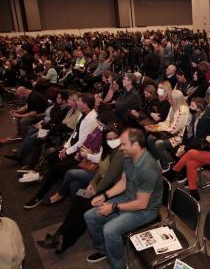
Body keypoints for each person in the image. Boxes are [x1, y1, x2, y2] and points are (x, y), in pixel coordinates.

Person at [36, 123, 124, 254]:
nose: (111, 141)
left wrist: (95, 189)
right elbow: (101, 170)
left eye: (114, 138)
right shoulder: (108, 150)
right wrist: (92, 183)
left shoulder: (120, 153)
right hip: (100, 185)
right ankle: (60, 237)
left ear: (120, 137)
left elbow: (109, 178)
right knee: (79, 197)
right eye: (109, 139)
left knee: (84, 206)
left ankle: (63, 239)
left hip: (111, 189)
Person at [84, 128, 163, 269]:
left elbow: (142, 204)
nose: (121, 147)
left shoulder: (148, 168)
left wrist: (113, 207)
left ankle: (119, 266)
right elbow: (123, 183)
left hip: (146, 210)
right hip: (128, 198)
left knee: (110, 230)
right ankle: (105, 251)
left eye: (124, 144)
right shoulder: (128, 157)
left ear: (136, 144)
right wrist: (105, 196)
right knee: (90, 216)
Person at [23, 93, 99, 209]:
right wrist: (65, 147)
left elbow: (82, 142)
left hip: (80, 151)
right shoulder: (82, 115)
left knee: (57, 167)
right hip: (73, 147)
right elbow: (75, 133)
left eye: (79, 101)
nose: (76, 102)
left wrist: (67, 151)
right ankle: (44, 179)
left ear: (85, 105)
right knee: (51, 157)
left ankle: (40, 195)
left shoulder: (92, 119)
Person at [145, 89, 189, 171]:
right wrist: (155, 127)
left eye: (170, 99)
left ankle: (169, 167)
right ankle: (157, 161)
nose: (168, 101)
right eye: (169, 99)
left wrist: (156, 129)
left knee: (159, 143)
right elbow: (167, 122)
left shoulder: (183, 110)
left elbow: (174, 129)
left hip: (178, 136)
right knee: (150, 138)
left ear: (176, 100)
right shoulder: (173, 106)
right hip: (168, 132)